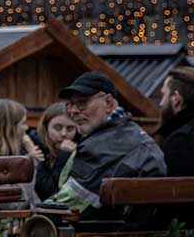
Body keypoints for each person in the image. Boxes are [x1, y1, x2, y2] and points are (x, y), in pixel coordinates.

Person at [49, 71, 166, 212]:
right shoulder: (137, 136)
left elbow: (68, 205)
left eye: (81, 103)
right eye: (70, 105)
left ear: (108, 103)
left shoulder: (101, 147)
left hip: (104, 231)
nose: (73, 111)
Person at [32, 100, 77, 201]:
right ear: (46, 127)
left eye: (70, 128)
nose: (64, 134)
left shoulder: (81, 150)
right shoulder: (37, 150)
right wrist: (64, 156)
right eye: (57, 128)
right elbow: (47, 191)